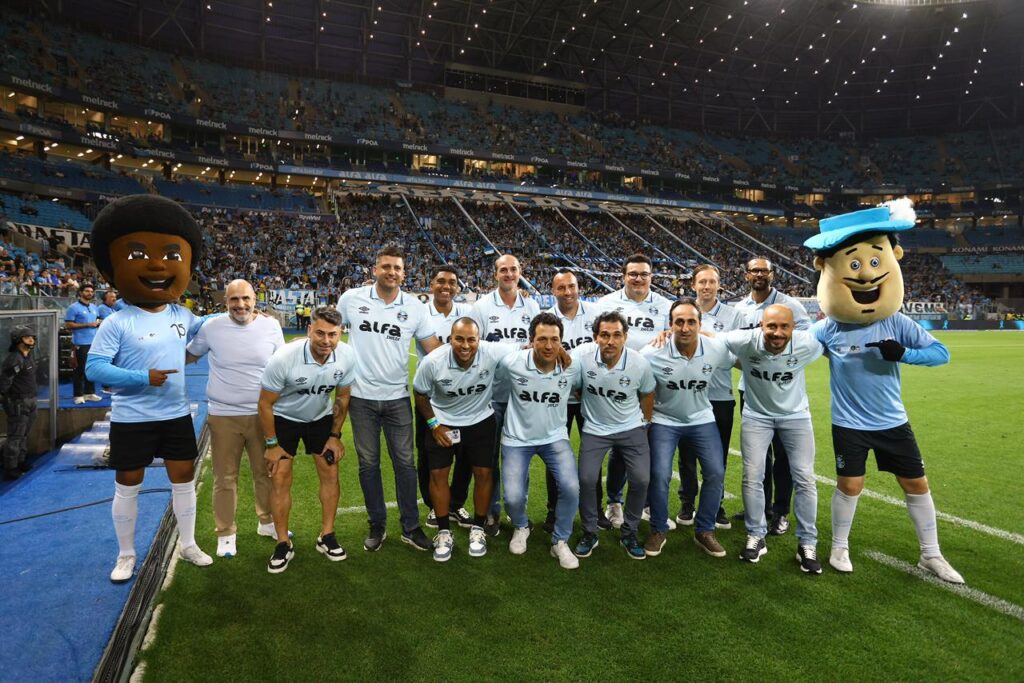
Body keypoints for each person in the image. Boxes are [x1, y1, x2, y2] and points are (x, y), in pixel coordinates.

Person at [805, 199, 963, 583]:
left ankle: (931, 554)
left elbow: (941, 353)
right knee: (850, 485)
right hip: (849, 423)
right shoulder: (829, 329)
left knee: (916, 484)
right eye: (853, 264)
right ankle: (839, 546)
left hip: (892, 419)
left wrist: (904, 354)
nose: (863, 275)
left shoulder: (896, 321)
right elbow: (793, 348)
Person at [85, 194, 213, 583]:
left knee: (184, 480)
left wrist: (246, 317)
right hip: (132, 417)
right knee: (128, 485)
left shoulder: (182, 314)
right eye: (140, 255)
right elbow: (94, 369)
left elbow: (208, 331)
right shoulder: (117, 322)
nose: (157, 265)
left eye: (171, 257)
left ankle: (188, 544)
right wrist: (143, 378)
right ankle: (126, 554)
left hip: (175, 414)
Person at [336, 245, 440, 553]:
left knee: (405, 464)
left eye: (397, 267)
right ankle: (377, 524)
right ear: (375, 270)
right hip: (361, 398)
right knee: (368, 465)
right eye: (386, 266)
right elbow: (327, 328)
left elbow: (432, 348)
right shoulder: (351, 299)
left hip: (397, 398)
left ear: (404, 273)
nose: (391, 272)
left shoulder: (415, 307)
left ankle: (410, 526)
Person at [186, 279, 286, 558]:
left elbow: (281, 365)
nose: (240, 305)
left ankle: (266, 522)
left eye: (245, 299)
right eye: (234, 300)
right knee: (225, 477)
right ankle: (226, 533)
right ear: (225, 302)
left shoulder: (271, 325)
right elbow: (188, 355)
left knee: (265, 473)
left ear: (256, 299)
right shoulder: (212, 328)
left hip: (263, 415)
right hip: (223, 414)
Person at [722, 305, 824, 574]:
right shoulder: (743, 340)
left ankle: (807, 543)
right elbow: (712, 340)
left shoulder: (808, 344)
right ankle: (756, 535)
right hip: (757, 416)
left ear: (793, 328)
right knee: (752, 475)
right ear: (760, 326)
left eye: (784, 327)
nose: (777, 333)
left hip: (796, 417)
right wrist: (741, 362)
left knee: (804, 477)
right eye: (771, 327)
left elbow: (832, 339)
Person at [258, 306, 355, 573]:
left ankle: (327, 535)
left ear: (340, 333)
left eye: (333, 335)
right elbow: (265, 404)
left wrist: (335, 436)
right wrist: (271, 444)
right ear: (309, 330)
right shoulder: (284, 358)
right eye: (320, 333)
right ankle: (282, 542)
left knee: (330, 472)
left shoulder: (346, 356)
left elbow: (343, 396)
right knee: (279, 477)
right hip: (284, 419)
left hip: (320, 419)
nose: (326, 341)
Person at [412, 317, 519, 561]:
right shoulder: (432, 362)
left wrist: (561, 354)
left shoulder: (491, 352)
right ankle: (443, 532)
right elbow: (419, 393)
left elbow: (526, 348)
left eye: (471, 339)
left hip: (480, 421)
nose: (465, 345)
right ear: (451, 339)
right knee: (438, 474)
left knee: (483, 473)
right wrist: (433, 424)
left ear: (479, 340)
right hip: (444, 423)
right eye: (459, 339)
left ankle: (479, 528)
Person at [642, 299, 734, 559]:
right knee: (659, 474)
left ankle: (704, 530)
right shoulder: (652, 352)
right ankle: (658, 528)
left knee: (716, 472)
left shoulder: (715, 348)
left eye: (691, 321)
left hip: (701, 418)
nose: (685, 327)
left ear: (699, 324)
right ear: (670, 325)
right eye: (679, 322)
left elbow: (742, 355)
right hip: (664, 420)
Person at [731, 257, 811, 536]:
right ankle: (761, 508)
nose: (759, 275)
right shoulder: (739, 309)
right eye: (754, 271)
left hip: (783, 392)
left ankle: (781, 511)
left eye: (764, 271)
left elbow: (806, 340)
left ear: (772, 275)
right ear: (746, 275)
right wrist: (753, 365)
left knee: (784, 458)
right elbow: (734, 349)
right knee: (758, 457)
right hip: (751, 390)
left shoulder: (791, 306)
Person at [497, 312, 581, 569]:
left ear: (562, 342)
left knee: (570, 487)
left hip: (555, 437)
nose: (548, 346)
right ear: (531, 340)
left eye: (554, 340)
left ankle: (560, 541)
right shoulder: (513, 361)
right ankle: (521, 526)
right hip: (516, 438)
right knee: (511, 497)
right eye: (542, 339)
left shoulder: (573, 366)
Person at [571, 311, 655, 561]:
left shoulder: (639, 362)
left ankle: (629, 532)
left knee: (641, 479)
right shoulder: (582, 358)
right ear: (595, 337)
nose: (611, 341)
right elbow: (576, 388)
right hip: (596, 429)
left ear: (625, 337)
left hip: (631, 428)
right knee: (585, 479)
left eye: (617, 335)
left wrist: (644, 423)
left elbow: (648, 394)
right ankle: (589, 532)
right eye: (605, 335)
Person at [597, 254, 671, 528]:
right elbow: (597, 341)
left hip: (653, 389)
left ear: (651, 277)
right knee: (620, 448)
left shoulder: (666, 306)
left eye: (644, 274)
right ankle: (614, 502)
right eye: (633, 274)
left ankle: (648, 505)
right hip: (617, 390)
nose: (638, 278)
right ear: (624, 276)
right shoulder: (607, 304)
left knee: (651, 447)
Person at [470, 253, 540, 535]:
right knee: (489, 458)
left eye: (513, 270)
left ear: (520, 272)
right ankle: (491, 512)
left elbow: (538, 345)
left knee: (518, 458)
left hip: (522, 396)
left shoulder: (532, 305)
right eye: (503, 270)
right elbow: (478, 349)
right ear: (495, 274)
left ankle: (517, 513)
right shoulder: (482, 307)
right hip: (492, 395)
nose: (509, 274)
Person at [678, 264, 745, 529]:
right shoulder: (682, 312)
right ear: (694, 284)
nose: (706, 286)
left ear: (719, 285)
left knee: (717, 456)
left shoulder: (733, 315)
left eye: (712, 282)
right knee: (686, 455)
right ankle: (687, 502)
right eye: (702, 282)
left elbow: (734, 358)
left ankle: (715, 504)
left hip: (720, 395)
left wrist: (709, 340)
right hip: (686, 393)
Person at [541, 269, 608, 533]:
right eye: (561, 288)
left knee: (593, 454)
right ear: (553, 291)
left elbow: (604, 350)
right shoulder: (545, 319)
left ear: (578, 287)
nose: (567, 292)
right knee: (554, 454)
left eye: (571, 286)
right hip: (557, 397)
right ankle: (553, 510)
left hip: (589, 396)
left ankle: (596, 509)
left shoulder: (595, 314)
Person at [415, 265, 473, 531]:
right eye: (440, 281)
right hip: (429, 397)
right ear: (431, 285)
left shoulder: (468, 314)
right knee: (429, 455)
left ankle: (456, 503)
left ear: (458, 288)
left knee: (465, 454)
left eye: (451, 282)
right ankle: (432, 506)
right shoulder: (420, 314)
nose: (446, 286)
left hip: (462, 397)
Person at [1, 326, 37, 480]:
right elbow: (4, 383)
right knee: (16, 435)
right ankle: (11, 467)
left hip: (30, 399)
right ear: (18, 340)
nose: (31, 339)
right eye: (26, 337)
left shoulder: (27, 356)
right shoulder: (14, 359)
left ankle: (21, 460)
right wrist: (7, 399)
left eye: (32, 337)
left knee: (24, 434)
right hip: (18, 401)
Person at [65, 283, 102, 404]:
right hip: (80, 343)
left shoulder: (94, 307)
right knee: (79, 370)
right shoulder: (73, 307)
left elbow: (97, 321)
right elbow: (69, 325)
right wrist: (87, 325)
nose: (90, 293)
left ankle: (89, 393)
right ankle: (78, 395)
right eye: (87, 291)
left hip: (94, 343)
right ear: (81, 293)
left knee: (92, 369)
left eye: (91, 291)